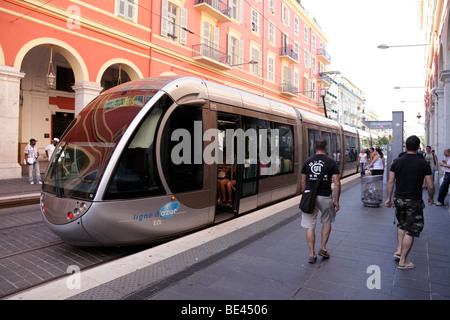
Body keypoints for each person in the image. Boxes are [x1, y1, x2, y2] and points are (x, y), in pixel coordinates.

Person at [385, 135, 434, 270]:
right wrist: (431, 198)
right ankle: (403, 260)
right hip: (414, 201)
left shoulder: (397, 161)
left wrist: (388, 198)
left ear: (405, 146)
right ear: (419, 148)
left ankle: (399, 249)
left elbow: (390, 182)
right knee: (411, 230)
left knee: (401, 225)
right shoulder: (423, 164)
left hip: (399, 199)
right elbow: (430, 186)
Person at [300, 138, 341, 264]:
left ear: (314, 146)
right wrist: (336, 200)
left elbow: (303, 181)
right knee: (327, 221)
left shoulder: (307, 161)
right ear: (326, 147)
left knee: (310, 225)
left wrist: (305, 194)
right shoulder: (331, 162)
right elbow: (337, 183)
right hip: (325, 196)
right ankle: (323, 248)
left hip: (310, 197)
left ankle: (311, 254)